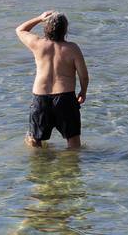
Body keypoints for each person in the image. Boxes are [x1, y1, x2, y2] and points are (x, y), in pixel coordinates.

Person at [17, 11, 89, 148]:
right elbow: (83, 76)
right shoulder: (72, 48)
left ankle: (40, 166)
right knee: (73, 142)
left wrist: (39, 18)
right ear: (65, 29)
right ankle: (70, 167)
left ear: (46, 28)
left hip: (41, 98)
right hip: (65, 98)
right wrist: (83, 92)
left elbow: (20, 29)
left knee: (34, 140)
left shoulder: (37, 44)